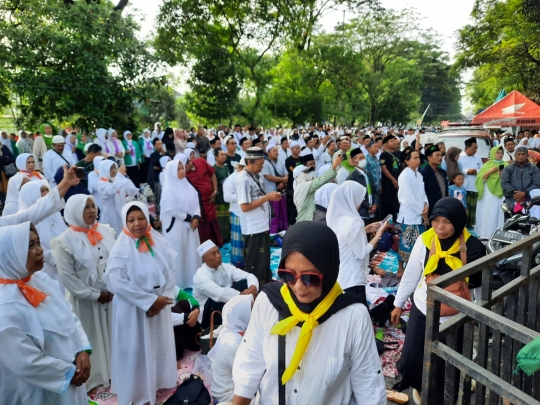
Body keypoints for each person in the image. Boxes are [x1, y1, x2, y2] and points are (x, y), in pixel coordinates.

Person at [232, 221, 386, 405]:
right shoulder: (269, 303)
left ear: (329, 272)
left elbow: (368, 387)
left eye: (309, 278)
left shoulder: (353, 317)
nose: (298, 287)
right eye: (288, 275)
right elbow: (249, 363)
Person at [390, 198, 486, 403]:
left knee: (445, 365)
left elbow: (478, 287)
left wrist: (476, 313)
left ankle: (438, 397)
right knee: (410, 360)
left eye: (447, 222)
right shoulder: (425, 240)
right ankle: (420, 387)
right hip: (423, 307)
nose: (440, 227)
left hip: (454, 316)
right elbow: (411, 274)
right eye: (436, 220)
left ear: (459, 221)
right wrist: (398, 303)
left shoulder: (474, 248)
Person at [0, 222, 92, 405]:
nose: (40, 250)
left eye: (38, 242)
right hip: (41, 390)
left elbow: (69, 315)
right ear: (10, 253)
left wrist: (82, 350)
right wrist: (67, 373)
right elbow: (25, 362)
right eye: (30, 246)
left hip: (73, 375)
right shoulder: (5, 306)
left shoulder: (41, 280)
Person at [103, 202, 177, 405]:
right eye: (131, 220)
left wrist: (163, 299)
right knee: (136, 349)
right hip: (133, 310)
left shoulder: (157, 241)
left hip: (159, 305)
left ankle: (157, 382)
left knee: (157, 345)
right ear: (125, 223)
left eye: (141, 218)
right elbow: (116, 283)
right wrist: (150, 302)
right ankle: (137, 391)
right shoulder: (121, 249)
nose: (137, 224)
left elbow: (171, 270)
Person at [52, 195, 115, 393]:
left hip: (111, 298)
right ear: (73, 211)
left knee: (112, 333)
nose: (91, 210)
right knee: (92, 336)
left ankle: (114, 371)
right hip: (85, 302)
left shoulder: (106, 230)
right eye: (85, 207)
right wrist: (96, 295)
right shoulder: (64, 241)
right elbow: (69, 279)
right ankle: (95, 378)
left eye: (92, 206)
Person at [327, 181, 388, 305]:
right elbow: (362, 252)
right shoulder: (354, 222)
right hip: (353, 278)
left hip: (339, 276)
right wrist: (379, 234)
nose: (361, 202)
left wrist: (365, 229)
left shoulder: (337, 217)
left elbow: (345, 238)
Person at [236, 147, 282, 284]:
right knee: (255, 260)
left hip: (262, 224)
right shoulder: (243, 179)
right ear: (249, 162)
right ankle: (255, 287)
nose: (262, 167)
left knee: (264, 258)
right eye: (260, 164)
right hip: (253, 227)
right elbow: (244, 207)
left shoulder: (256, 175)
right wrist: (267, 198)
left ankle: (266, 282)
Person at [193, 240, 258, 328]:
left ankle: (249, 315)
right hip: (208, 314)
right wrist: (244, 296)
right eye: (213, 254)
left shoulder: (225, 267)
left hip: (227, 303)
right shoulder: (200, 276)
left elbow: (249, 276)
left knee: (245, 283)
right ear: (204, 259)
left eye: (218, 251)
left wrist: (253, 288)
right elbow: (220, 294)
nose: (219, 255)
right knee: (216, 298)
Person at [160, 155, 202, 289]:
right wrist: (191, 218)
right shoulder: (168, 189)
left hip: (191, 226)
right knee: (178, 253)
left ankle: (192, 279)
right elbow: (172, 210)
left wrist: (196, 216)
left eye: (182, 168)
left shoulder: (187, 185)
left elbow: (196, 202)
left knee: (191, 252)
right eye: (178, 169)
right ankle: (178, 283)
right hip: (176, 227)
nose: (182, 171)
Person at [208, 295, 253, 403]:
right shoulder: (233, 344)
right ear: (243, 316)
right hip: (227, 396)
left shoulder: (230, 330)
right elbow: (249, 378)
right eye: (252, 310)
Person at [397, 147, 429, 276]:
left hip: (420, 213)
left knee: (418, 244)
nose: (418, 160)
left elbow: (423, 193)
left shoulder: (418, 174)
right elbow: (409, 198)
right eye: (414, 158)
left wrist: (426, 205)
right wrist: (422, 211)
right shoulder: (404, 175)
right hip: (410, 214)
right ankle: (401, 269)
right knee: (406, 243)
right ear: (407, 161)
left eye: (418, 157)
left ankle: (414, 268)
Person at [185, 153, 223, 247]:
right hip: (199, 205)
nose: (183, 170)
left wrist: (215, 190)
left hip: (210, 201)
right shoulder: (184, 175)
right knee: (203, 229)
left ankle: (216, 245)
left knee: (214, 224)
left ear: (189, 162)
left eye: (184, 167)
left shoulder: (201, 161)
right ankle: (205, 249)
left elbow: (212, 174)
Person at [95, 159, 138, 236]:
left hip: (121, 212)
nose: (114, 170)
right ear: (105, 169)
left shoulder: (116, 180)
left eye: (115, 168)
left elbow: (132, 191)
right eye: (111, 168)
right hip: (111, 215)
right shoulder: (100, 183)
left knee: (124, 234)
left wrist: (124, 178)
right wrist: (119, 175)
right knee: (113, 236)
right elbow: (110, 191)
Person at [294, 154, 342, 222]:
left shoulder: (307, 184)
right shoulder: (302, 187)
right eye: (305, 172)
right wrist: (334, 166)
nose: (309, 173)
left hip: (313, 218)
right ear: (299, 176)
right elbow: (318, 182)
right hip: (306, 219)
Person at [475, 146, 508, 239]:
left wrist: (503, 175)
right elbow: (481, 179)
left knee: (498, 212)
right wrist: (490, 172)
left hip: (501, 193)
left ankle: (497, 234)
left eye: (501, 153)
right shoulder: (487, 165)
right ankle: (485, 234)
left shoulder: (506, 164)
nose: (500, 155)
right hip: (488, 193)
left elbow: (511, 178)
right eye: (498, 153)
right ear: (493, 153)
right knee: (487, 212)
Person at [501, 144, 540, 211]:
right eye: (518, 154)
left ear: (527, 156)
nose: (520, 156)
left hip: (529, 200)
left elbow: (537, 183)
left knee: (530, 220)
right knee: (511, 220)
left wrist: (524, 193)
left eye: (523, 154)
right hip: (511, 199)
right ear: (515, 156)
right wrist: (515, 193)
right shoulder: (508, 168)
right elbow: (504, 183)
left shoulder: (534, 169)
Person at [346, 149, 380, 224]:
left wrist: (375, 204)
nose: (363, 160)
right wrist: (368, 206)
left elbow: (374, 191)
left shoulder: (368, 174)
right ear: (354, 161)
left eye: (363, 157)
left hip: (373, 210)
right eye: (360, 158)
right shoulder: (352, 177)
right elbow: (354, 197)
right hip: (361, 213)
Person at [223, 158, 246, 268]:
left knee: (246, 240)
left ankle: (248, 262)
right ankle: (238, 264)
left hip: (247, 213)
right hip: (237, 213)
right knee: (238, 242)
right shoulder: (231, 179)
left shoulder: (247, 177)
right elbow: (226, 197)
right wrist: (243, 196)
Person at [262, 143, 288, 233]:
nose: (276, 152)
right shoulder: (265, 163)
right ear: (268, 153)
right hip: (270, 192)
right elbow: (268, 177)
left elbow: (286, 174)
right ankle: (272, 233)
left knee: (281, 212)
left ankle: (281, 231)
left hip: (280, 192)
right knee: (273, 214)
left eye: (277, 150)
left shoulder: (281, 161)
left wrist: (282, 182)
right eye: (274, 151)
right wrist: (283, 180)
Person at [458, 137, 483, 228]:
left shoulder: (477, 158)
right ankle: (463, 224)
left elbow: (482, 169)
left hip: (474, 186)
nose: (476, 150)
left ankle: (471, 225)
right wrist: (467, 171)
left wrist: (476, 171)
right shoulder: (460, 157)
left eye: (476, 148)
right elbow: (457, 170)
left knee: (473, 208)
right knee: (464, 207)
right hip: (463, 186)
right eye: (474, 148)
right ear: (468, 147)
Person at [420, 145, 448, 217]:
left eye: (441, 155)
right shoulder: (423, 173)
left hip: (443, 207)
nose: (440, 158)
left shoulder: (443, 172)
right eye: (437, 155)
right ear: (429, 157)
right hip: (430, 208)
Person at [379, 135, 402, 221]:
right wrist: (393, 180)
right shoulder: (384, 155)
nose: (394, 142)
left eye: (394, 140)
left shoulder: (398, 153)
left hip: (399, 181)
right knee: (388, 203)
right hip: (389, 183)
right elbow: (384, 168)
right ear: (386, 144)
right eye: (391, 141)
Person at [214, 149, 231, 242]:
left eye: (225, 154)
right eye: (221, 155)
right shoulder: (214, 169)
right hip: (219, 198)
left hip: (227, 197)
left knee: (227, 218)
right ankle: (220, 238)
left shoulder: (226, 168)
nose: (224, 156)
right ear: (216, 157)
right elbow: (213, 186)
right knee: (220, 220)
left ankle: (227, 237)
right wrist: (215, 201)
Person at [148, 138, 167, 218]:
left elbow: (168, 162)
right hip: (157, 177)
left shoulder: (166, 153)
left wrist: (159, 166)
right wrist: (161, 158)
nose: (160, 146)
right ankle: (158, 212)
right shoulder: (153, 155)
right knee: (158, 194)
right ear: (155, 145)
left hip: (166, 176)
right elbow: (156, 163)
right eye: (158, 144)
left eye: (161, 144)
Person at [285, 141, 301, 225]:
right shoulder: (288, 160)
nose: (298, 150)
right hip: (292, 185)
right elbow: (292, 171)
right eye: (296, 148)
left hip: (301, 184)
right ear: (291, 149)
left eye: (299, 148)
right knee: (292, 204)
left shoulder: (302, 158)